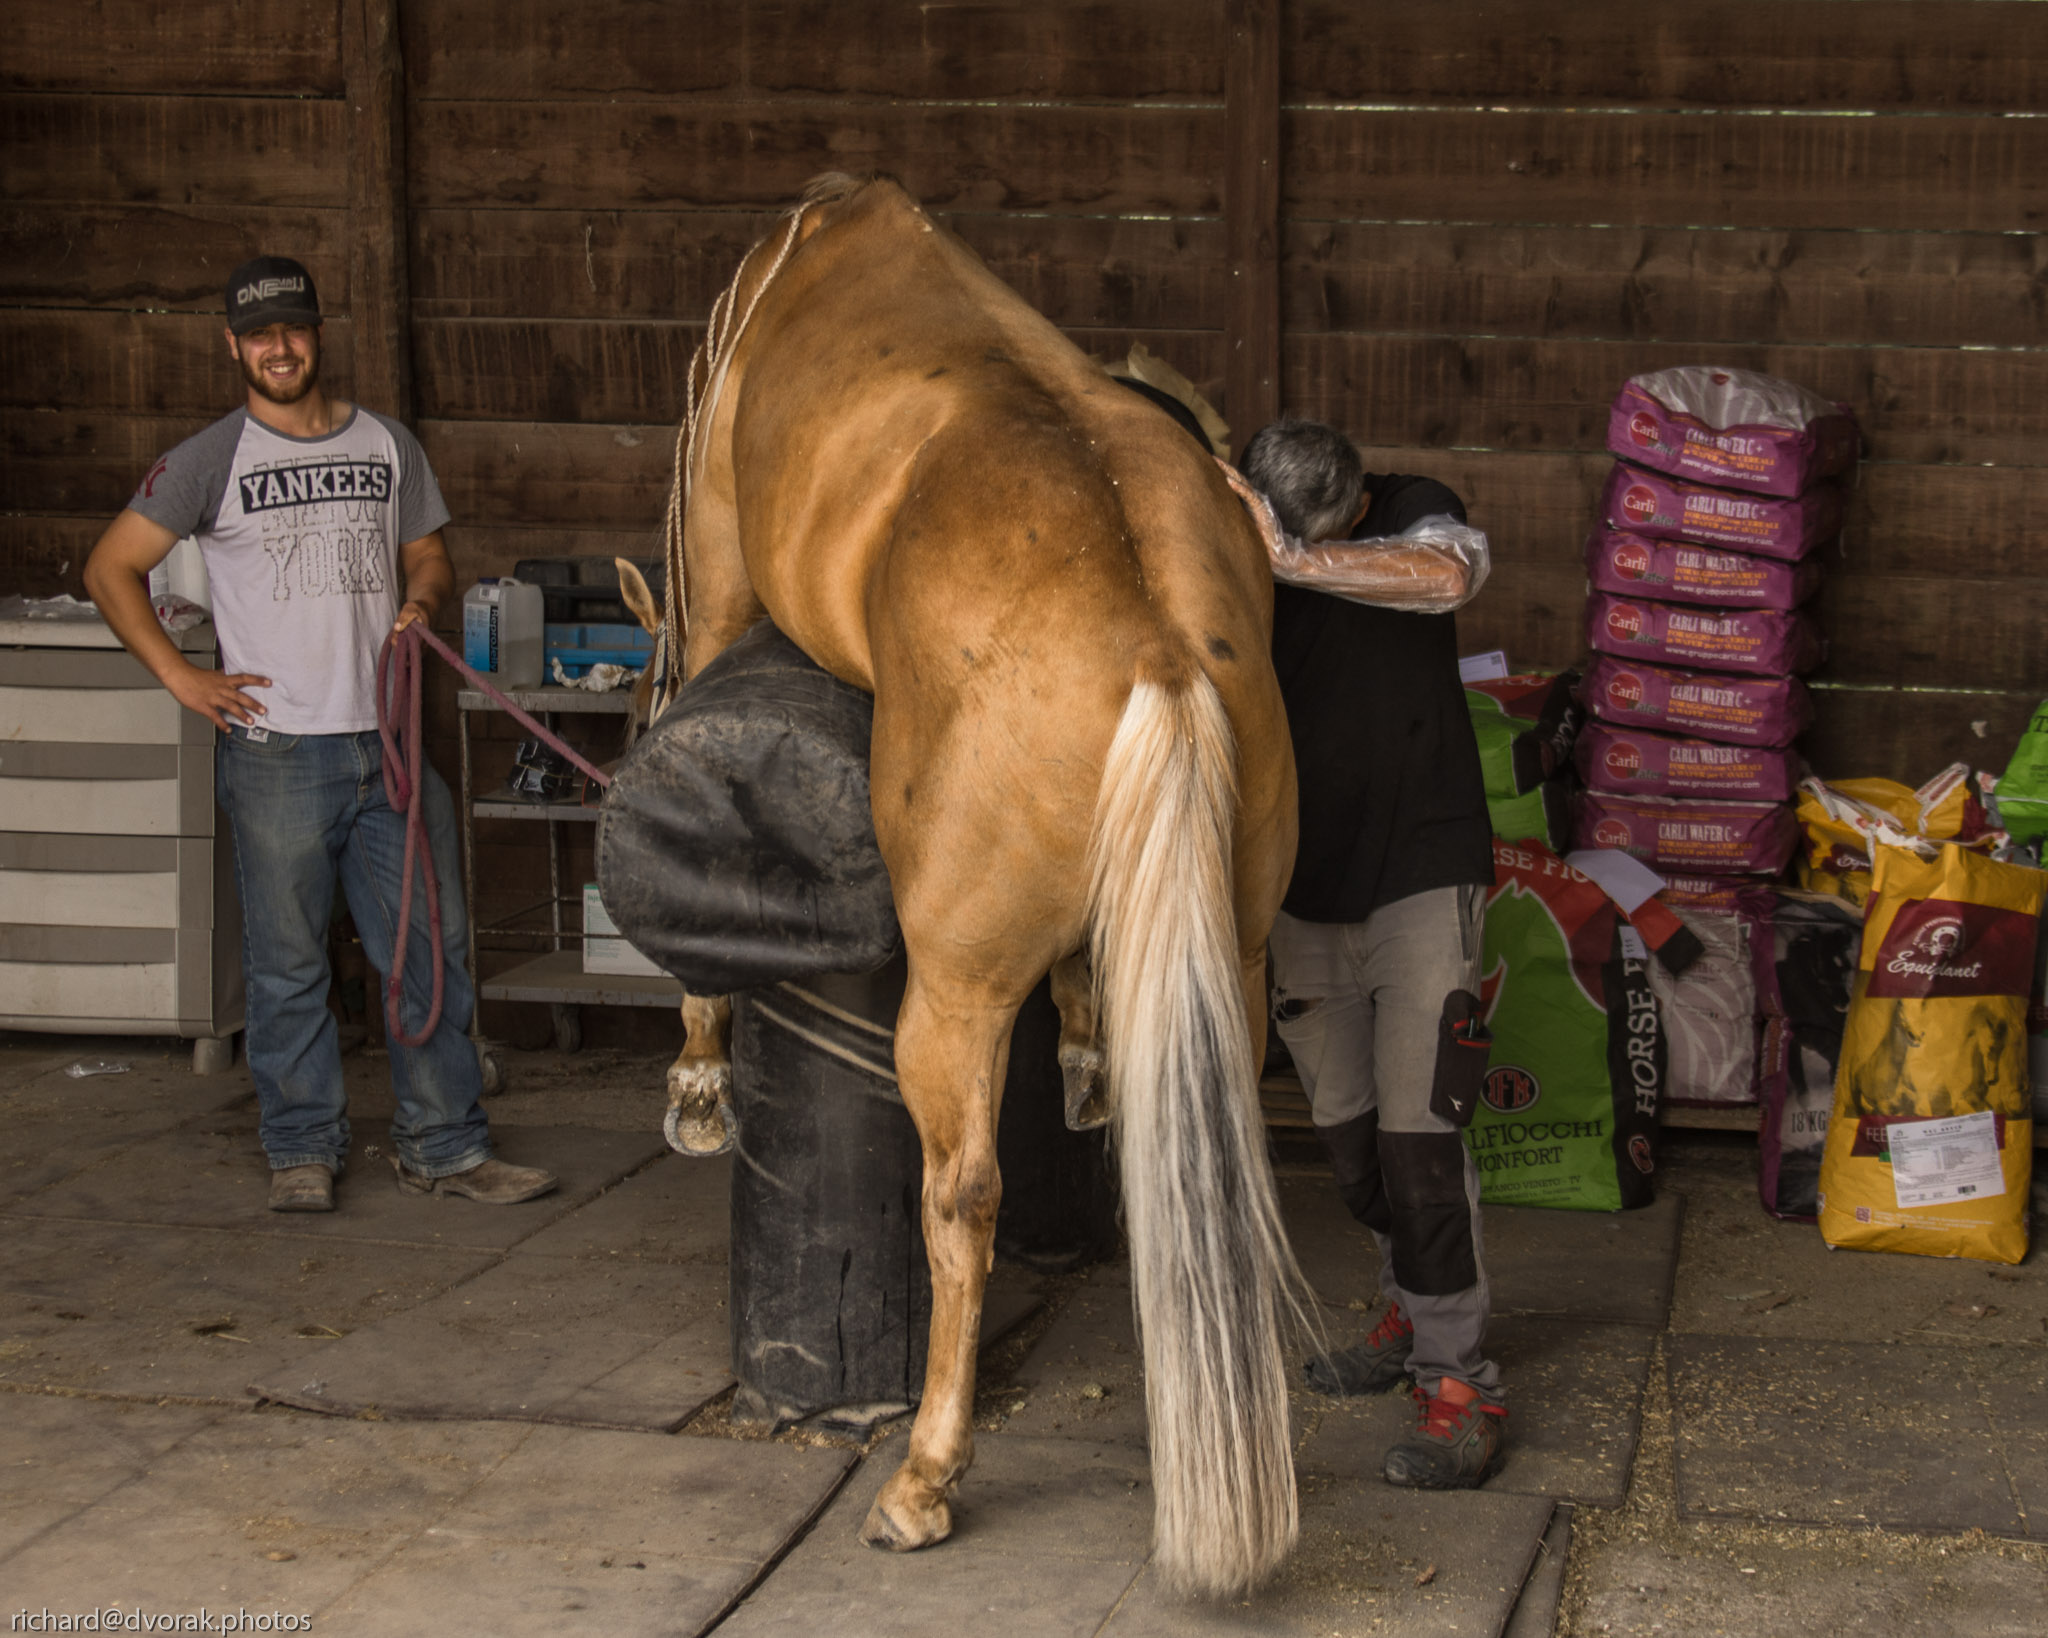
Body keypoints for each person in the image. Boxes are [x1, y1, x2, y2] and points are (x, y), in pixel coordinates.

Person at [82, 255, 556, 1214]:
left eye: (293, 330)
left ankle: (446, 1147)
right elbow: (109, 568)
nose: (280, 348)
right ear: (234, 346)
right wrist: (181, 677)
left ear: (319, 335)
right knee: (288, 963)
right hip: (279, 754)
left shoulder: (387, 444)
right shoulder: (211, 459)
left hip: (386, 745)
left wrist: (422, 601)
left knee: (429, 950)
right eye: (260, 335)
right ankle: (302, 1149)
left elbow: (428, 554)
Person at [1241, 417, 1505, 1489]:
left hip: (1422, 874)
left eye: (1328, 533)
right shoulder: (1236, 527)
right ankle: (1410, 1304)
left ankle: (1461, 1384)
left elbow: (1447, 577)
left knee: (1421, 1147)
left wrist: (1293, 563)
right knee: (1351, 1150)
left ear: (1355, 504)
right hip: (1303, 887)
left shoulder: (1409, 507)